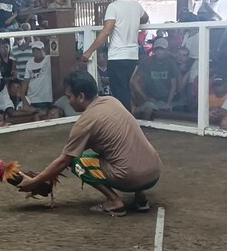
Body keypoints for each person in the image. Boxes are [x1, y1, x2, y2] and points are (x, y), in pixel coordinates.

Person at [17, 70, 162, 217]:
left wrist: (35, 181)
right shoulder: (112, 101)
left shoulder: (85, 123)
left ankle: (114, 202)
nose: (68, 101)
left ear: (81, 96)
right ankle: (141, 199)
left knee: (78, 163)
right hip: (154, 172)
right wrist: (45, 174)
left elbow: (65, 160)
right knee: (125, 145)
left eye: (69, 97)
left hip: (131, 178)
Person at [81, 0, 149, 112]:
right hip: (132, 56)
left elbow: (106, 31)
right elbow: (145, 18)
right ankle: (127, 122)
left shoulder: (113, 7)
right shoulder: (136, 6)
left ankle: (125, 125)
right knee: (126, 92)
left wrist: (89, 51)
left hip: (118, 57)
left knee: (120, 96)